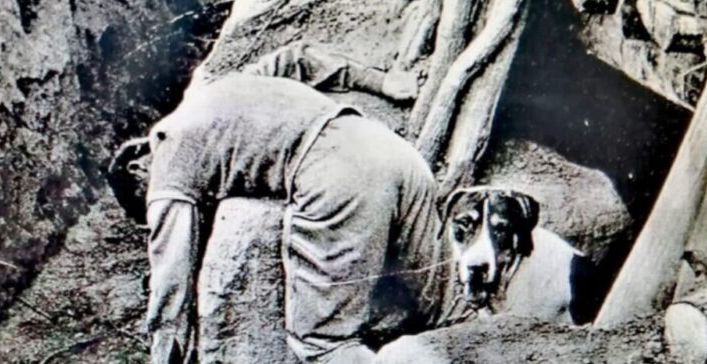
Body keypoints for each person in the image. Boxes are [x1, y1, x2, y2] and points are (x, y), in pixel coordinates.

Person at [135, 70, 463, 364]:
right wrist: (381, 80)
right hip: (394, 151)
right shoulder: (219, 89)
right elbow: (299, 57)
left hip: (338, 173)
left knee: (323, 342)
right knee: (451, 312)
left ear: (136, 164)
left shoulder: (167, 152)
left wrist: (163, 353)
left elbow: (170, 277)